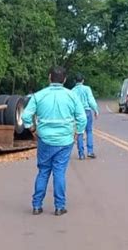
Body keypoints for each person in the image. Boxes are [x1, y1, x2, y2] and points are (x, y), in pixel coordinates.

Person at [22, 66, 87, 216]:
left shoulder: (38, 96)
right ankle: (59, 206)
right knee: (59, 172)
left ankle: (37, 206)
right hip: (65, 141)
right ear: (64, 79)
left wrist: (32, 129)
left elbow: (26, 116)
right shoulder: (71, 96)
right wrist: (78, 132)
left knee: (43, 171)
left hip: (44, 139)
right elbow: (82, 118)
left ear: (49, 77)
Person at [72, 73, 99, 159]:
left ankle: (81, 154)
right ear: (83, 80)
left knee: (79, 132)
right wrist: (95, 110)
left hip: (78, 113)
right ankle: (90, 151)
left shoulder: (72, 91)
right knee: (89, 131)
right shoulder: (87, 89)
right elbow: (91, 100)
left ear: (75, 81)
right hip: (87, 111)